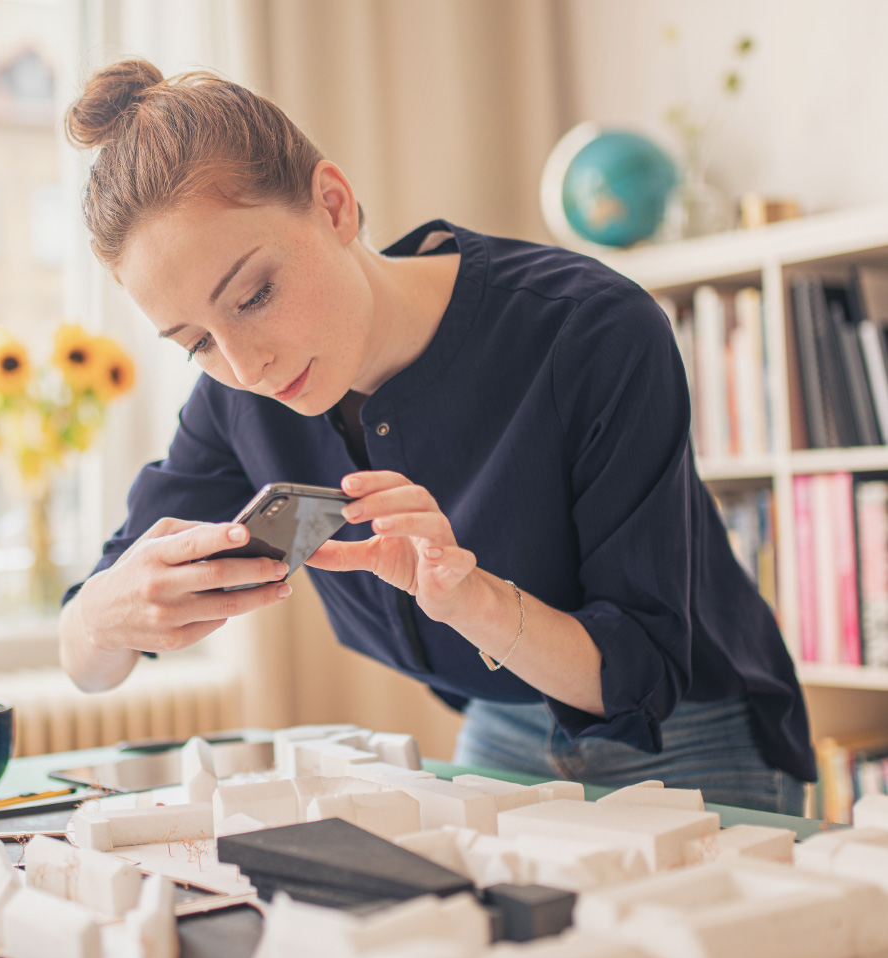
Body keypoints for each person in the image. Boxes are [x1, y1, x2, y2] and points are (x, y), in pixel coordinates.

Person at [56, 58, 814, 814]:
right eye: (194, 342)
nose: (245, 365)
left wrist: (467, 597)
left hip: (693, 734)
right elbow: (90, 664)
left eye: (255, 295)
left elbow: (638, 672)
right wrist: (100, 615)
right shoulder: (232, 402)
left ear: (333, 204)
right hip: (503, 724)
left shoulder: (589, 331)